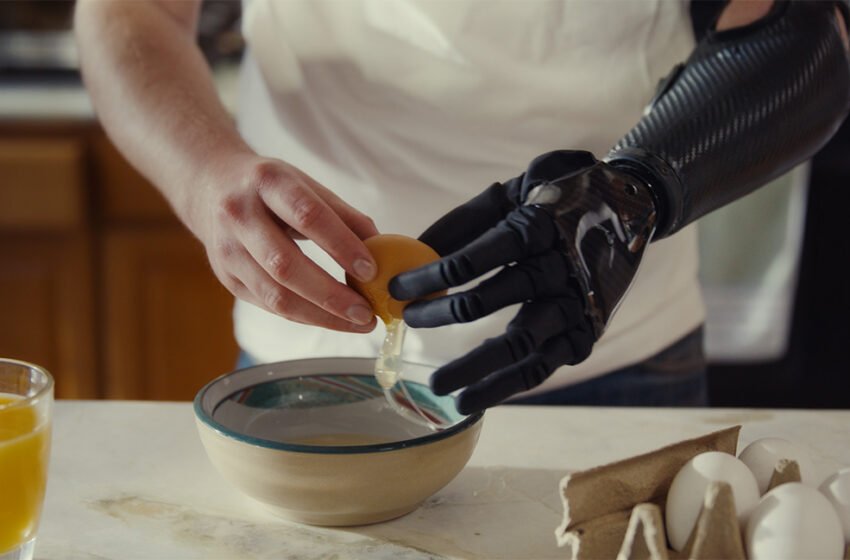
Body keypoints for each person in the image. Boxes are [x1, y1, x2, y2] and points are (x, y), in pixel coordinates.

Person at [74, 0, 850, 414]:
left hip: (617, 362)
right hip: (309, 370)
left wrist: (628, 197)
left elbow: (796, 32)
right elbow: (127, 14)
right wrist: (206, 174)